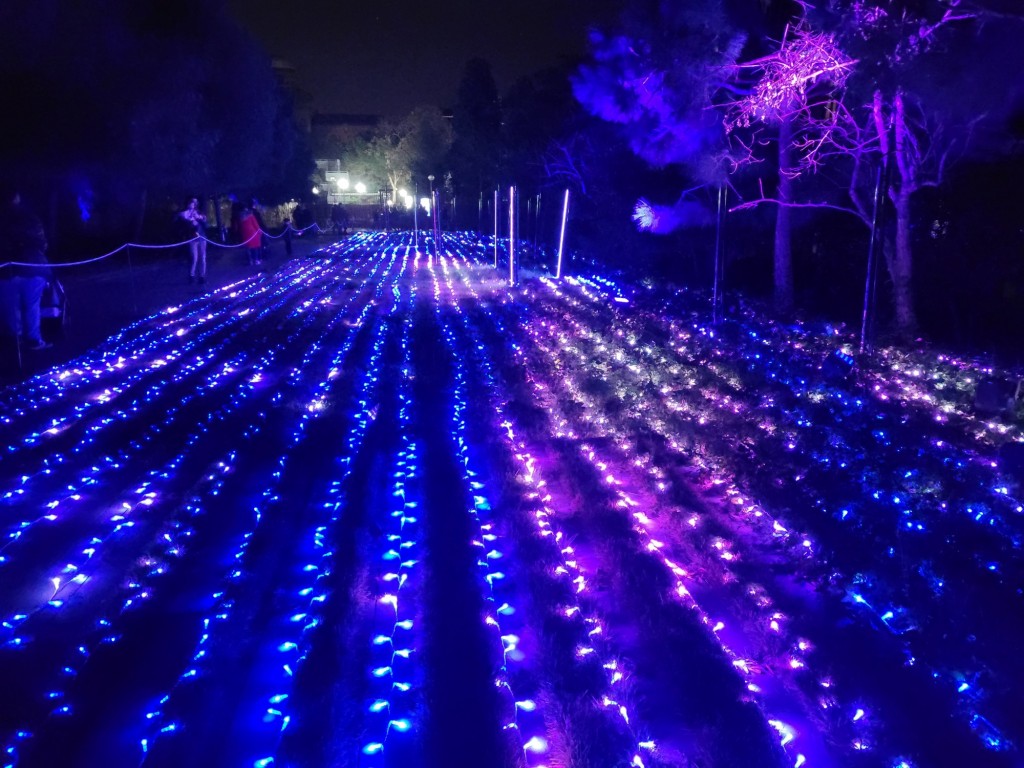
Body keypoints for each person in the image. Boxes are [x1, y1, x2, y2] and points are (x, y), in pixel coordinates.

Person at [0, 187, 53, 350]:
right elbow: (42, 242)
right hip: (33, 267)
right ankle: (33, 340)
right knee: (32, 306)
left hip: (8, 270)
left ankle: (16, 341)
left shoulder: (3, 219)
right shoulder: (30, 217)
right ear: (17, 197)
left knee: (11, 308)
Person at [178, 196, 207, 284]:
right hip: (192, 238)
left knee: (203, 257)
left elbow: (205, 221)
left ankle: (202, 276)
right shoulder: (185, 213)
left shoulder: (199, 213)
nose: (194, 204)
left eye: (195, 202)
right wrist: (190, 220)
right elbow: (181, 218)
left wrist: (200, 217)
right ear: (188, 203)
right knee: (194, 257)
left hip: (202, 237)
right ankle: (191, 275)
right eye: (192, 202)